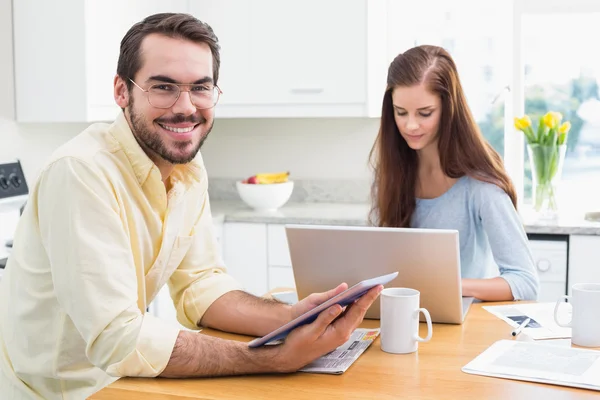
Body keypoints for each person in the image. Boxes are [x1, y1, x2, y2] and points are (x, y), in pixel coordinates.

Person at [0, 13, 382, 399]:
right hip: (59, 392)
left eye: (201, 87)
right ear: (121, 91)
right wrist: (272, 359)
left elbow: (201, 284)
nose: (186, 107)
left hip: (125, 382)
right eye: (163, 87)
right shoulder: (81, 173)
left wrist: (288, 318)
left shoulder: (186, 166)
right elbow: (116, 339)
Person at [369, 45, 539, 302]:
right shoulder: (393, 173)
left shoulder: (481, 186)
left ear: (449, 109)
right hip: (406, 318)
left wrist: (448, 285)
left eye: (425, 113)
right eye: (400, 112)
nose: (410, 125)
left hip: (462, 326)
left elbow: (525, 282)